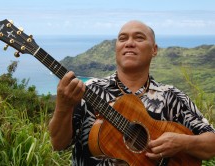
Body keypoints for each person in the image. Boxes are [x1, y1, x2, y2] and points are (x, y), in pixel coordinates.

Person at [48, 20, 215, 165]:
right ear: (116, 48)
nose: (129, 43)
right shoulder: (88, 90)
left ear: (154, 50)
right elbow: (58, 143)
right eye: (122, 39)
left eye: (139, 38)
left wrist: (183, 143)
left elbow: (211, 144)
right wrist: (63, 106)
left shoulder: (173, 97)